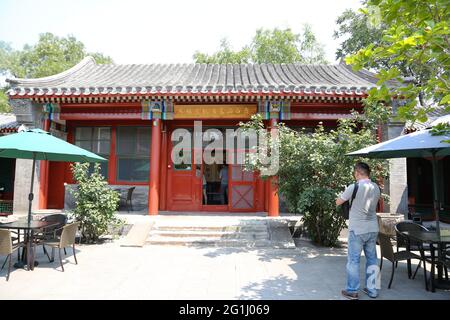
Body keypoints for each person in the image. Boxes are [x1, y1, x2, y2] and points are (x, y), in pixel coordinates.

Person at [336, 162, 381, 300]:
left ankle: (352, 290)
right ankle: (373, 290)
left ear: (357, 172)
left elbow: (338, 202)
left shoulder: (353, 187)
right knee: (372, 259)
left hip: (357, 230)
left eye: (354, 172)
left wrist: (341, 195)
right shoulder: (376, 187)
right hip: (373, 228)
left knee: (353, 260)